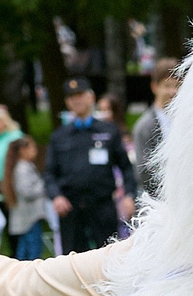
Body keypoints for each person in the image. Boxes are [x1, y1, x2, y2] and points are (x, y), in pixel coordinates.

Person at [43, 79, 134, 253]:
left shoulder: (108, 131)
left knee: (108, 255)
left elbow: (126, 167)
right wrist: (56, 197)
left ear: (91, 97)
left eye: (80, 95)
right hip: (71, 208)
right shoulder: (59, 136)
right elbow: (49, 174)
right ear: (67, 102)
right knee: (72, 258)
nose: (76, 101)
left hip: (102, 205)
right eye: (71, 97)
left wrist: (129, 195)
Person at [129, 65, 183, 201]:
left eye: (176, 86)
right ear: (155, 87)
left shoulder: (186, 119)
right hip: (158, 199)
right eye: (167, 86)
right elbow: (143, 171)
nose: (172, 91)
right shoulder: (144, 126)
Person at [5, 136, 53, 260]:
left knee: (25, 249)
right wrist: (43, 186)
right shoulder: (23, 168)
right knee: (32, 250)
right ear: (22, 150)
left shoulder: (24, 167)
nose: (35, 151)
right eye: (32, 148)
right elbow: (26, 191)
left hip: (28, 217)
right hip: (30, 217)